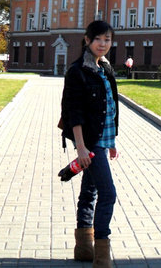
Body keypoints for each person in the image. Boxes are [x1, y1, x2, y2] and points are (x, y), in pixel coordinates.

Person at [60, 20, 119, 267]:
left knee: (90, 192)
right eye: (98, 39)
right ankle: (102, 256)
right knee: (108, 193)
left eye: (107, 39)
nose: (103, 44)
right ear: (87, 40)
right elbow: (75, 112)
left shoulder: (105, 68)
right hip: (90, 143)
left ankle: (84, 248)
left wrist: (112, 141)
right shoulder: (78, 71)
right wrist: (81, 147)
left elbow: (111, 107)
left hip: (103, 142)